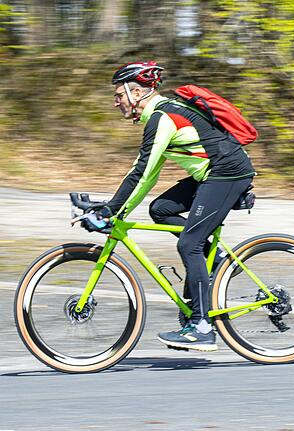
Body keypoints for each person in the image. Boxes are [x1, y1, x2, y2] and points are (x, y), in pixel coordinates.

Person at [101, 61, 255, 350]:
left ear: (135, 94)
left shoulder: (163, 117)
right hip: (214, 173)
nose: (115, 103)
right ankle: (216, 259)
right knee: (160, 210)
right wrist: (116, 208)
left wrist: (112, 210)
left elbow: (142, 172)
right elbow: (148, 174)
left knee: (188, 245)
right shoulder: (161, 115)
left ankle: (202, 327)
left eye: (118, 96)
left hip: (227, 173)